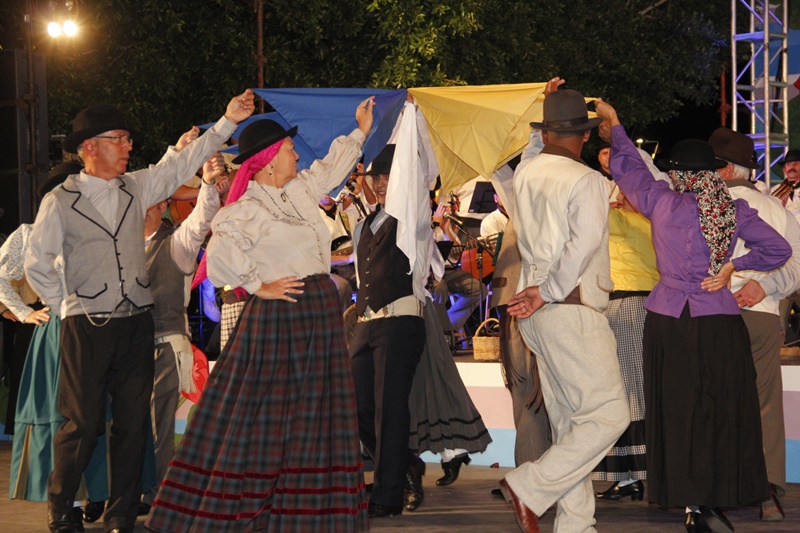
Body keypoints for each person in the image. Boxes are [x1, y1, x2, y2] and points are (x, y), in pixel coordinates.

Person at [24, 90, 254, 533]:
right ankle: (60, 511)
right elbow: (37, 265)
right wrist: (67, 309)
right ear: (90, 147)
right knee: (82, 424)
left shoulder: (138, 186)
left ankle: (122, 515)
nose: (129, 146)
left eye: (129, 139)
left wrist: (226, 122)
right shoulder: (61, 200)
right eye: (120, 138)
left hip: (136, 324)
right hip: (85, 327)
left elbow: (181, 165)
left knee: (132, 425)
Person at [146, 97, 374, 532]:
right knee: (265, 417)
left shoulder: (301, 189)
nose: (295, 153)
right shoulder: (244, 209)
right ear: (268, 161)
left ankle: (308, 513)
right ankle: (241, 506)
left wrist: (360, 131)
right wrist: (256, 284)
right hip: (280, 316)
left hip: (318, 315)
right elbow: (219, 257)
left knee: (316, 415)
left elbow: (331, 167)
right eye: (288, 149)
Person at [597, 100, 791, 533]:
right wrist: (732, 268)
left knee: (677, 409)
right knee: (721, 409)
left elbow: (630, 170)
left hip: (668, 319)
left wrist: (616, 128)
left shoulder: (662, 203)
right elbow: (779, 250)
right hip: (718, 319)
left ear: (681, 174)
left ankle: (690, 501)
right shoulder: (735, 210)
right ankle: (716, 497)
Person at [498, 88, 630, 533]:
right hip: (566, 306)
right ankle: (531, 486)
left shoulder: (529, 172)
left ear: (546, 132)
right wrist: (549, 290)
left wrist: (539, 293)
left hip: (538, 312)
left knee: (570, 422)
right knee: (611, 414)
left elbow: (535, 155)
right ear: (585, 136)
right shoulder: (588, 181)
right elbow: (580, 246)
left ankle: (575, 524)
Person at [349, 100, 437, 518]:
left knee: (388, 409)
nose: (382, 183)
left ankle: (385, 495)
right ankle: (404, 464)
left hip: (401, 321)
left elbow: (418, 181)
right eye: (376, 177)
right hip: (366, 324)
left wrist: (411, 119)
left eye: (388, 176)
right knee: (355, 404)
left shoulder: (412, 215)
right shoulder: (364, 223)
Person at [709, 126, 800, 522]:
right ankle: (766, 492)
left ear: (727, 170)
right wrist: (764, 288)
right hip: (760, 315)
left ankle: (721, 487)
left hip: (713, 312)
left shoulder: (706, 207)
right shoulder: (776, 209)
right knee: (763, 402)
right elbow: (796, 262)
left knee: (716, 400)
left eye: (712, 168)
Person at [139, 153, 228, 514]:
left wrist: (207, 184)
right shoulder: (121, 246)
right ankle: (131, 488)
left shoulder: (177, 243)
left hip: (164, 345)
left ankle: (162, 492)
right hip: (125, 347)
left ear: (158, 205)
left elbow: (201, 219)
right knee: (128, 424)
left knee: (160, 424)